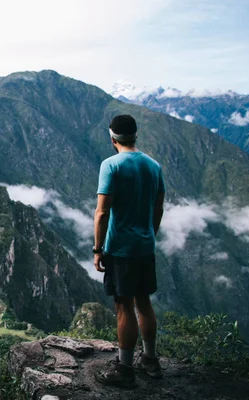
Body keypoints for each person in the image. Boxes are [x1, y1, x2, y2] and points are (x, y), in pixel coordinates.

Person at [92, 114, 165, 388]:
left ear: (112, 139)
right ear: (136, 135)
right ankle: (150, 359)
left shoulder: (111, 165)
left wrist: (98, 249)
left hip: (120, 248)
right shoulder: (153, 166)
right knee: (143, 301)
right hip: (145, 245)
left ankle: (124, 367)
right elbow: (158, 206)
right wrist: (150, 232)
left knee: (124, 305)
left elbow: (102, 212)